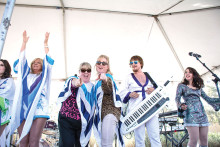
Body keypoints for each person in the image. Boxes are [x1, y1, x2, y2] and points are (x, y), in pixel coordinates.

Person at [8, 30, 54, 147]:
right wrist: (24, 43)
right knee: (23, 141)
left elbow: (48, 60)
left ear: (43, 65)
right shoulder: (25, 75)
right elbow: (22, 59)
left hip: (39, 108)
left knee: (34, 142)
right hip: (24, 107)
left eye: (39, 62)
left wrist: (45, 43)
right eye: (34, 62)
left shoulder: (45, 76)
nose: (36, 63)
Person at [119, 55, 162, 147]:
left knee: (155, 136)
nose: (133, 64)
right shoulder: (128, 77)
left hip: (151, 109)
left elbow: (160, 89)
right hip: (136, 112)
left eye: (135, 62)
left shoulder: (150, 75)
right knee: (139, 139)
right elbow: (121, 91)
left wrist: (154, 90)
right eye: (131, 63)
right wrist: (129, 94)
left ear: (141, 63)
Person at [175, 67, 220, 147]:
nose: (187, 74)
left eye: (190, 72)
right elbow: (177, 98)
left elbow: (208, 99)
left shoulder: (198, 87)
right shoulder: (181, 86)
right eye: (186, 72)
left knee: (204, 141)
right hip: (190, 115)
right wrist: (180, 105)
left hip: (202, 115)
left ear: (193, 75)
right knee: (193, 140)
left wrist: (218, 100)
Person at [57, 62, 95, 147]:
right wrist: (76, 83)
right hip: (67, 120)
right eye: (83, 70)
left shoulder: (93, 87)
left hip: (82, 124)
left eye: (88, 70)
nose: (86, 72)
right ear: (79, 72)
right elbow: (72, 82)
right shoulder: (74, 79)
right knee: (67, 145)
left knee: (81, 145)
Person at [93, 55, 124, 147]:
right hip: (104, 115)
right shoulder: (97, 81)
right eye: (98, 62)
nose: (100, 64)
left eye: (104, 63)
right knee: (105, 144)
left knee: (106, 145)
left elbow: (109, 89)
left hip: (110, 113)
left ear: (108, 66)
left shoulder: (107, 76)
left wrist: (105, 80)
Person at [0, 59, 15, 137]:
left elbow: (7, 94)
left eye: (1, 65)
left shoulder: (9, 81)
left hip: (3, 113)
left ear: (6, 68)